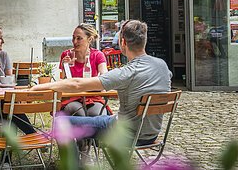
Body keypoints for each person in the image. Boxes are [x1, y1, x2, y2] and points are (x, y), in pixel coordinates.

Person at [32, 19, 172, 145]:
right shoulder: (163, 66)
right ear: (144, 41)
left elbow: (76, 84)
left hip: (126, 134)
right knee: (100, 116)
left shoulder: (126, 73)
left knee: (61, 122)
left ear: (122, 42)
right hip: (151, 134)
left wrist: (37, 87)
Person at [59, 23, 110, 116]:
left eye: (79, 38)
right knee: (77, 113)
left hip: (92, 97)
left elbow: (105, 75)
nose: (74, 41)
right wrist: (64, 66)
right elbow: (62, 79)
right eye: (73, 38)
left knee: (98, 115)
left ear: (89, 39)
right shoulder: (66, 55)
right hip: (72, 97)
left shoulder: (97, 55)